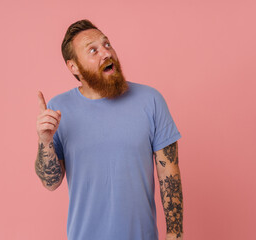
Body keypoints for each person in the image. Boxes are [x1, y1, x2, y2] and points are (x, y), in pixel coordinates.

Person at [35, 19, 184, 240]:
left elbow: (169, 175)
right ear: (73, 66)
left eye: (107, 44)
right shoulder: (59, 109)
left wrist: (175, 235)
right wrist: (45, 141)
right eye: (93, 50)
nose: (106, 53)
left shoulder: (151, 100)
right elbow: (51, 183)